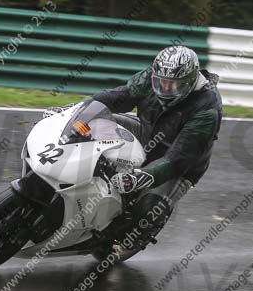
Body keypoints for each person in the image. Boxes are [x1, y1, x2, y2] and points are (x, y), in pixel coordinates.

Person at [91, 45, 222, 252]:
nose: (166, 88)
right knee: (94, 123)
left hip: (181, 164)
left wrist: (139, 177)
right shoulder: (151, 76)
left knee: (146, 209)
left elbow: (177, 159)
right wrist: (79, 109)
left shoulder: (207, 108)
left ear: (189, 81)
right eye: (162, 82)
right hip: (147, 133)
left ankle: (131, 237)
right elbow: (118, 97)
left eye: (174, 85)